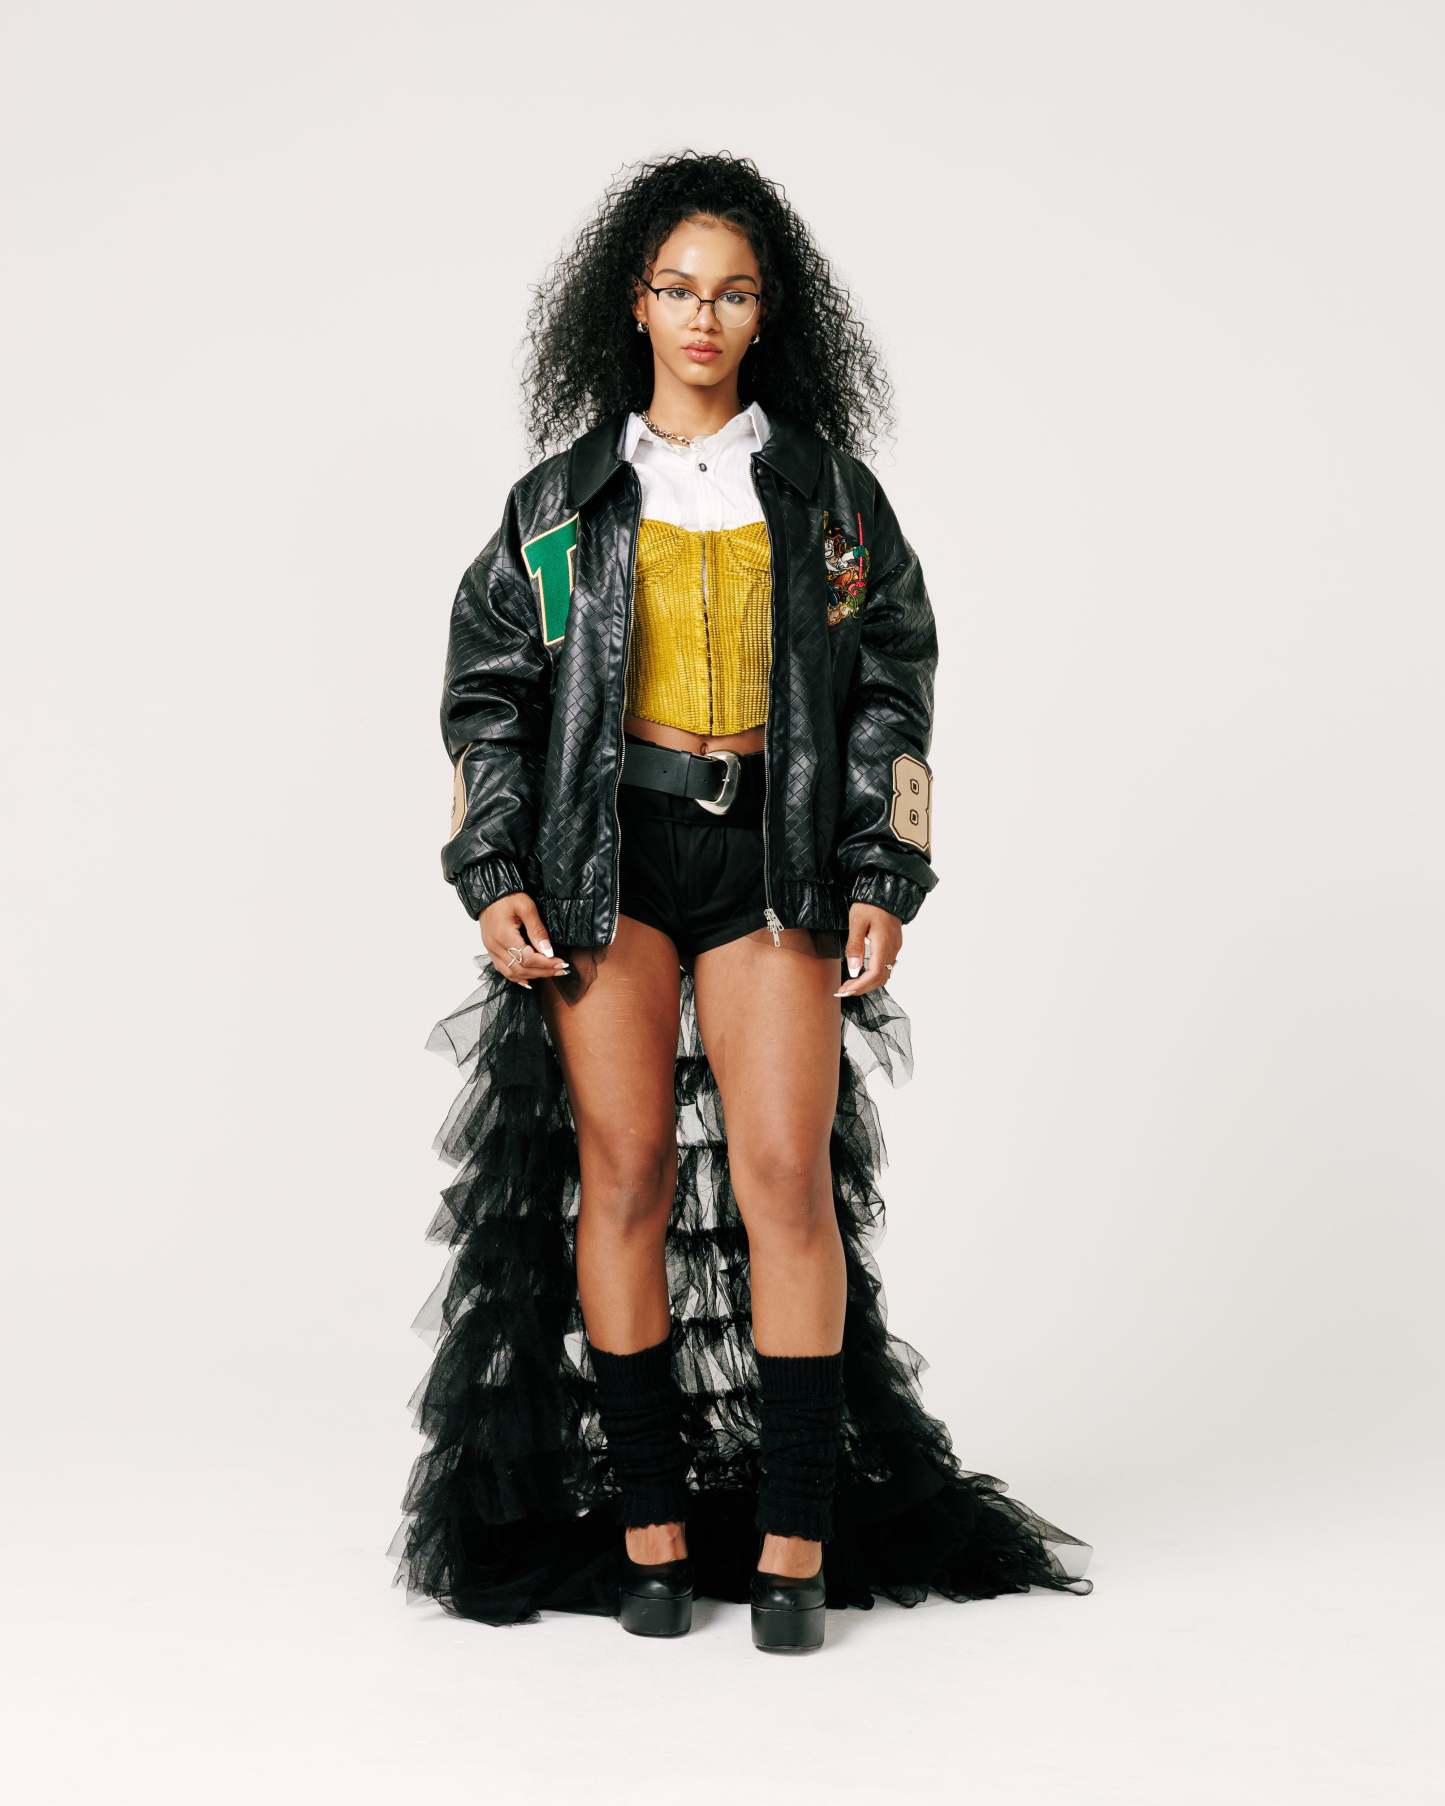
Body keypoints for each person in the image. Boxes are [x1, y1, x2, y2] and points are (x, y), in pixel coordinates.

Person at [390, 151, 1093, 1649]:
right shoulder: (561, 505)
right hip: (608, 861)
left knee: (782, 1174)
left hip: (773, 860)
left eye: (732, 293)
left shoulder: (828, 499)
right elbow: (489, 698)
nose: (702, 317)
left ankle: (791, 1538)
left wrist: (882, 868)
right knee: (625, 1173)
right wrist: (491, 868)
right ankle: (650, 1531)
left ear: (768, 313)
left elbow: (892, 681)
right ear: (634, 306)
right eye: (677, 290)